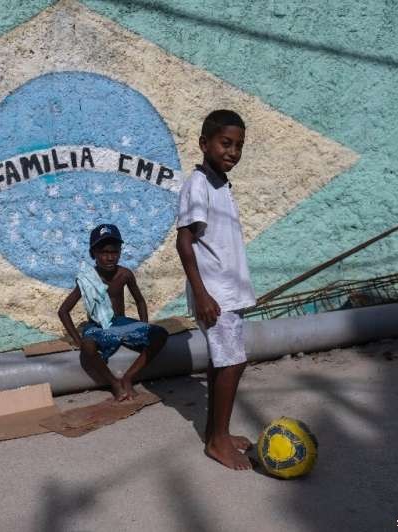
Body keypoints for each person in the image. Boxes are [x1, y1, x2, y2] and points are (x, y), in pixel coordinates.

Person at [176, 110, 256, 470]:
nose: (233, 152)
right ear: (204, 143)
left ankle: (217, 433)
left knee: (221, 363)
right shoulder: (198, 184)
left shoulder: (220, 183)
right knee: (233, 363)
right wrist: (203, 294)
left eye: (239, 145)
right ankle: (217, 441)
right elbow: (184, 242)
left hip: (226, 292)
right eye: (226, 143)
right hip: (215, 295)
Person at [58, 223, 168, 401]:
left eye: (114, 252)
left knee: (160, 335)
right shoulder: (88, 279)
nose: (110, 258)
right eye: (103, 253)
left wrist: (145, 325)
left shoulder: (125, 274)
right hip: (98, 326)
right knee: (87, 347)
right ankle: (114, 383)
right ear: (93, 254)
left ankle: (128, 377)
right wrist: (78, 341)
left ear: (120, 252)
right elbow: (63, 311)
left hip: (121, 323)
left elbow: (140, 300)